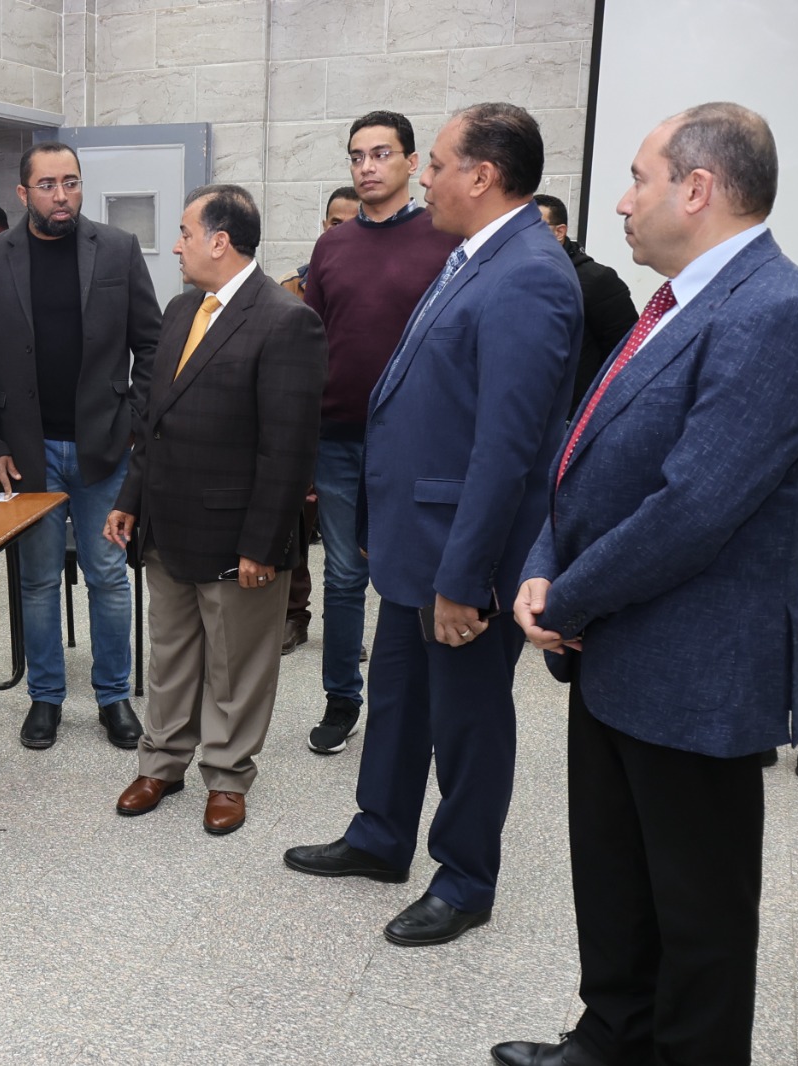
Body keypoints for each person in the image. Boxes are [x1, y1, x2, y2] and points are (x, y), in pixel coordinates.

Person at [496, 103, 798, 1066]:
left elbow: (693, 508)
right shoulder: (674, 304)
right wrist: (542, 563)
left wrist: (564, 599)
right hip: (615, 651)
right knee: (615, 883)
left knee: (697, 917)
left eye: (638, 179)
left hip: (696, 672)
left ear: (697, 189)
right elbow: (588, 452)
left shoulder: (777, 314)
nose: (621, 201)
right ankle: (611, 1038)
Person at [283, 103, 581, 948]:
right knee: (400, 696)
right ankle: (381, 835)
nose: (428, 180)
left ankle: (464, 878)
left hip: (464, 553)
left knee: (468, 719)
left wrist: (464, 578)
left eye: (439, 164)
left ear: (483, 176)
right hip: (419, 535)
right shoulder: (472, 256)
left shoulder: (528, 273)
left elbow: (508, 449)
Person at [105, 185, 323, 835]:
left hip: (237, 533)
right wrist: (130, 500)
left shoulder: (286, 320)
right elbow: (154, 420)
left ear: (220, 241)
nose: (176, 246)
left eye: (185, 233)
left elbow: (288, 448)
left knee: (236, 663)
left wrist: (263, 544)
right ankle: (161, 763)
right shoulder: (180, 311)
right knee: (170, 652)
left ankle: (227, 775)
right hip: (166, 524)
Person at [0, 142, 163, 751]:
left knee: (108, 575)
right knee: (38, 580)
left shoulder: (117, 248)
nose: (62, 195)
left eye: (70, 182)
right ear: (24, 193)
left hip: (105, 446)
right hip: (28, 451)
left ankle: (113, 697)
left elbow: (151, 344)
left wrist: (134, 419)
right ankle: (45, 697)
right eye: (47, 185)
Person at [299, 110, 462, 753]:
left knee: (416, 573)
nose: (367, 167)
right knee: (343, 576)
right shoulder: (332, 246)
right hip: (338, 436)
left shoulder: (443, 239)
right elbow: (311, 342)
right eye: (357, 156)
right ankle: (342, 699)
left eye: (381, 154)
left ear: (412, 163)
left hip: (415, 439)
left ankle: (420, 703)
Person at [280, 184, 359, 657]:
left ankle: (344, 629)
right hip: (302, 428)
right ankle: (294, 616)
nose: (341, 230)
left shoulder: (374, 282)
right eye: (334, 222)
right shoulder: (290, 289)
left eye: (352, 221)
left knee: (348, 545)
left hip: (352, 430)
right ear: (323, 226)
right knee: (294, 528)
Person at [534, 193, 640, 408]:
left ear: (559, 232)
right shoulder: (512, 276)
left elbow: (625, 353)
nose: (523, 237)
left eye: (534, 227)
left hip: (573, 413)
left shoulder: (595, 280)